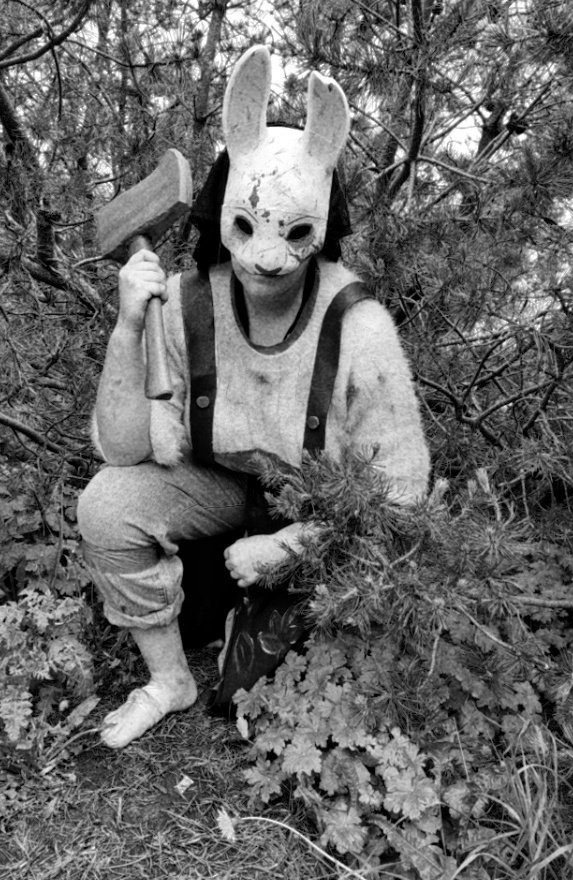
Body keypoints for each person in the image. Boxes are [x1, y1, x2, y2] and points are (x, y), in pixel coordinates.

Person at [77, 45, 430, 749]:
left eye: (294, 233)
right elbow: (120, 448)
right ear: (223, 212)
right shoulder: (186, 304)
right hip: (220, 487)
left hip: (322, 516)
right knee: (106, 505)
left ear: (322, 226)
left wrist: (294, 544)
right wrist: (128, 327)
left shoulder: (358, 329)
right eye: (248, 226)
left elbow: (401, 492)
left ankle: (261, 635)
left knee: (260, 681)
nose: (268, 256)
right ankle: (170, 680)